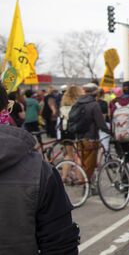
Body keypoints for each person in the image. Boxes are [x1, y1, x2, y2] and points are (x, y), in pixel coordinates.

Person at [0, 84, 80, 253]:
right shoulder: (40, 171)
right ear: (4, 111)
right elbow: (61, 245)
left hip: (60, 133)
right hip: (73, 135)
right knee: (69, 155)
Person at [72, 83, 111, 180]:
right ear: (95, 92)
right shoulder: (94, 104)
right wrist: (109, 132)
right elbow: (100, 123)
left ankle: (82, 180)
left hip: (79, 136)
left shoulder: (77, 103)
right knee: (90, 164)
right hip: (91, 138)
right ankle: (86, 184)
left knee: (82, 160)